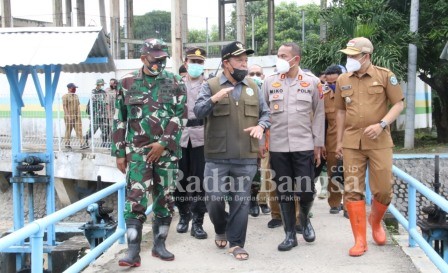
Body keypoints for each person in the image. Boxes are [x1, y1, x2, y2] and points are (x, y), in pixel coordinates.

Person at [194, 41, 270, 261]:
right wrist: (214, 99)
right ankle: (221, 227)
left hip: (246, 155)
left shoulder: (254, 86)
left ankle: (237, 244)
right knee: (214, 198)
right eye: (240, 60)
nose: (244, 64)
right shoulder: (211, 85)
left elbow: (266, 114)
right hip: (217, 155)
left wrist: (261, 126)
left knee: (241, 200)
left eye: (246, 60)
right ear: (226, 63)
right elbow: (198, 111)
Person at [113, 38, 186, 267]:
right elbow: (119, 120)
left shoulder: (174, 82)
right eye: (155, 59)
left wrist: (163, 143)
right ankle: (133, 252)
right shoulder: (127, 83)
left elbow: (179, 116)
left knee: (165, 198)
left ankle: (159, 245)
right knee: (135, 200)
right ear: (143, 58)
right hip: (137, 154)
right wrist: (119, 153)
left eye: (163, 59)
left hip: (166, 153)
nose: (160, 63)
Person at [334, 37, 404, 257]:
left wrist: (382, 124)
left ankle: (375, 222)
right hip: (352, 142)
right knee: (352, 190)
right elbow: (340, 111)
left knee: (383, 189)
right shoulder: (343, 79)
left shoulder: (385, 76)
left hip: (379, 141)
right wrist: (338, 142)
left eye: (354, 55)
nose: (350, 59)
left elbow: (399, 103)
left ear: (366, 56)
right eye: (348, 55)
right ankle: (360, 240)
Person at [263, 42, 325, 251]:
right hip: (278, 146)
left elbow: (319, 114)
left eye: (283, 55)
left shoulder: (312, 82)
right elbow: (263, 114)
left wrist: (318, 144)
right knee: (284, 192)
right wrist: (262, 143)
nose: (278, 58)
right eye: (278, 55)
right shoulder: (269, 81)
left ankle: (304, 220)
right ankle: (290, 234)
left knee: (306, 190)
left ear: (295, 59)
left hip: (304, 144)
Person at [174, 47, 208, 239]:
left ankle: (198, 221)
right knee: (180, 179)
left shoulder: (210, 84)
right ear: (185, 62)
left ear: (203, 64)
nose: (195, 65)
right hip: (179, 136)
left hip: (201, 136)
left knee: (200, 181)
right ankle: (183, 215)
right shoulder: (175, 83)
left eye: (199, 62)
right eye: (192, 61)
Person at [247, 64, 271, 217]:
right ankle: (247, 200)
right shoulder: (243, 90)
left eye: (258, 73)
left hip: (261, 137)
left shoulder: (266, 91)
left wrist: (262, 141)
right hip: (242, 137)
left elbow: (266, 116)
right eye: (252, 73)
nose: (255, 76)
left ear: (262, 76)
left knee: (259, 171)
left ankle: (256, 200)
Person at [322, 65, 345, 215]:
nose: (333, 86)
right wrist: (322, 144)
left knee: (351, 174)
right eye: (329, 83)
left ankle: (350, 205)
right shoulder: (324, 98)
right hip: (331, 143)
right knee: (332, 174)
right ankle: (335, 203)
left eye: (335, 82)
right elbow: (321, 123)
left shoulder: (352, 95)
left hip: (351, 142)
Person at [81, 79, 109, 149]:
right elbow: (93, 102)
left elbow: (105, 102)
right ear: (98, 84)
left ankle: (104, 142)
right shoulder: (93, 92)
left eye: (103, 84)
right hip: (95, 115)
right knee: (92, 130)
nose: (103, 86)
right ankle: (85, 140)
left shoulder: (103, 92)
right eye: (102, 84)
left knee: (105, 129)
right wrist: (90, 114)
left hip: (103, 114)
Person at [62, 83, 84, 149]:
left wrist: (79, 115)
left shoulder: (76, 96)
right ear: (69, 88)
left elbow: (78, 106)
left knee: (79, 129)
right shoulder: (65, 96)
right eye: (73, 88)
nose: (74, 89)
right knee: (68, 130)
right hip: (69, 116)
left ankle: (82, 143)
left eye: (75, 88)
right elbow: (64, 107)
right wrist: (68, 116)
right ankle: (67, 143)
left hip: (76, 116)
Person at [106, 78, 119, 144]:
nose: (111, 84)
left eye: (112, 83)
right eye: (110, 83)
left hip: (118, 112)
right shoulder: (108, 91)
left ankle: (115, 140)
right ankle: (110, 141)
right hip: (112, 112)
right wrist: (109, 114)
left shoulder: (119, 90)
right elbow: (107, 103)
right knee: (112, 127)